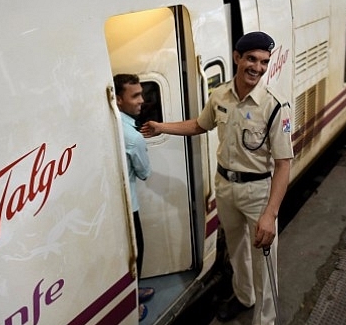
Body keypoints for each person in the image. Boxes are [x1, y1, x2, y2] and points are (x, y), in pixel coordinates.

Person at [141, 32, 293, 324]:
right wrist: (162, 127)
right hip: (226, 187)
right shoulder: (220, 96)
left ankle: (265, 319)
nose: (258, 68)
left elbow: (284, 164)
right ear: (237, 57)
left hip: (259, 192)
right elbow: (200, 125)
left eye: (264, 62)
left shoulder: (275, 105)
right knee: (236, 250)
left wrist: (270, 214)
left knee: (264, 261)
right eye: (251, 59)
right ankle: (244, 296)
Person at [113, 73, 154, 322]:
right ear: (118, 99)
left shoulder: (114, 125)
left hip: (116, 207)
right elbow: (145, 173)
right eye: (135, 95)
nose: (142, 100)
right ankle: (133, 305)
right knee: (136, 253)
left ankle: (133, 292)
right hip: (130, 207)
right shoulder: (133, 137)